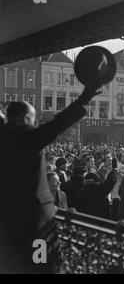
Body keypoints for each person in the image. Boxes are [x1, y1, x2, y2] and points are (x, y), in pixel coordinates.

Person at [0, 86, 99, 273]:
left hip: (6, 221)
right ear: (26, 118)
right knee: (42, 265)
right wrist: (83, 99)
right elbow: (55, 126)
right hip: (33, 224)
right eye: (33, 119)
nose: (35, 124)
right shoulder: (22, 136)